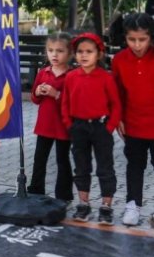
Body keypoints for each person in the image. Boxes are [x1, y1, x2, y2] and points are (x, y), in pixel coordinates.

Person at [61, 32, 121, 225]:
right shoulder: (70, 77)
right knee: (81, 167)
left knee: (105, 167)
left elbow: (116, 104)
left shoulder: (106, 78)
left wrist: (109, 127)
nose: (84, 55)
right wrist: (69, 125)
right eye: (80, 52)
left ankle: (106, 207)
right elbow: (65, 103)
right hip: (78, 127)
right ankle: (83, 204)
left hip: (100, 127)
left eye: (89, 51)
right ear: (75, 54)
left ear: (99, 54)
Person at [112, 13, 154, 226]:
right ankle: (132, 205)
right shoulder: (119, 60)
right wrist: (118, 117)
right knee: (135, 166)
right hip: (133, 124)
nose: (137, 45)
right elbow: (116, 92)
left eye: (142, 39)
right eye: (132, 39)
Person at [29, 32, 73, 204]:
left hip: (63, 126)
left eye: (60, 51)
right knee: (40, 158)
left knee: (63, 160)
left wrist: (56, 95)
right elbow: (34, 98)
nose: (54, 54)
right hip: (45, 125)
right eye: (51, 50)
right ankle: (35, 188)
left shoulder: (72, 75)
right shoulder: (43, 72)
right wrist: (38, 92)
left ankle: (64, 194)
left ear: (69, 53)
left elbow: (73, 103)